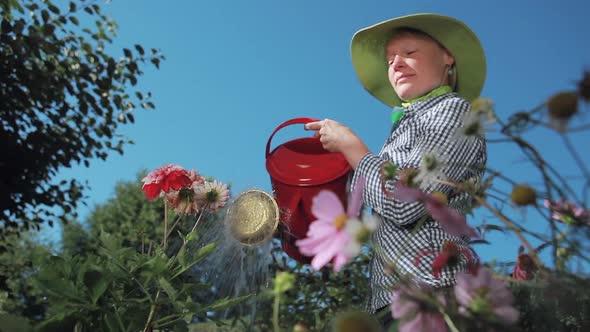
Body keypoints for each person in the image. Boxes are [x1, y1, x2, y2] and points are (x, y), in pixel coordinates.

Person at [304, 13, 487, 329]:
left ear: (448, 58)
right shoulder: (402, 132)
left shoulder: (455, 111)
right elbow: (372, 214)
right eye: (390, 60)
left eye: (410, 53)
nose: (397, 64)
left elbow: (406, 204)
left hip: (434, 294)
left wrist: (353, 148)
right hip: (392, 302)